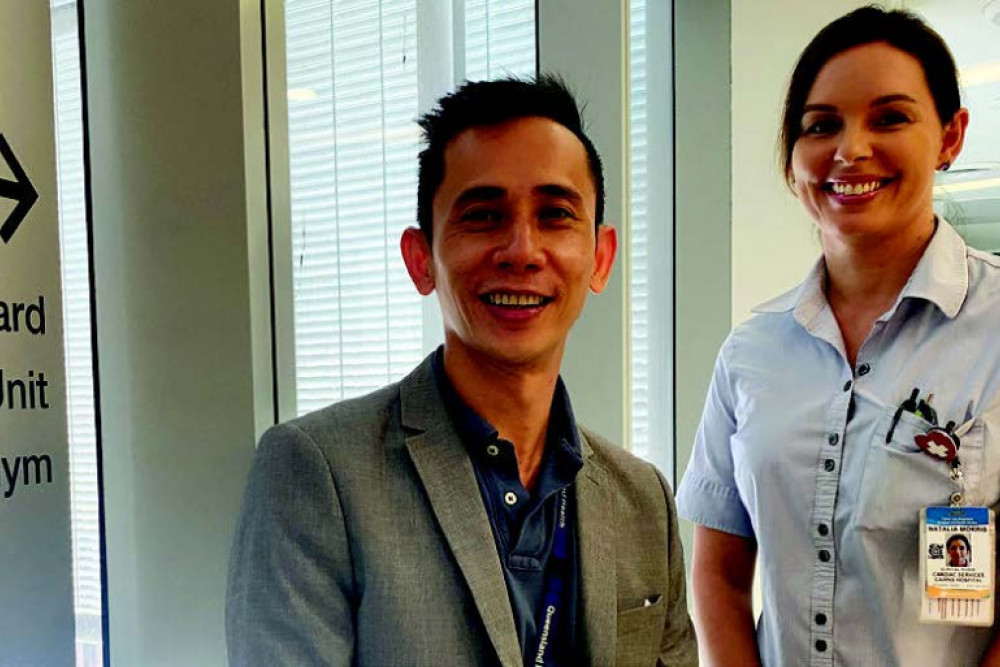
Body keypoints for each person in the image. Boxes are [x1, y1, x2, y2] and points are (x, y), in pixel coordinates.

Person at [226, 75, 697, 667]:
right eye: (483, 216)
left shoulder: (644, 499)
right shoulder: (319, 472)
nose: (522, 250)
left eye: (555, 214)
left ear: (600, 259)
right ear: (421, 259)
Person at [677, 6, 1000, 667]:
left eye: (890, 118)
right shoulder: (751, 353)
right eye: (821, 125)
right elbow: (719, 571)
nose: (851, 149)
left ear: (950, 135)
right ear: (793, 162)